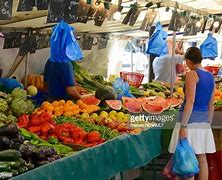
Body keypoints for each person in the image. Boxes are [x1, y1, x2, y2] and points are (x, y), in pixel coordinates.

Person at [168, 47, 216, 180]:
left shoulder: (192, 74)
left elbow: (190, 101)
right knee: (202, 159)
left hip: (189, 122)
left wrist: (183, 125)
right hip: (204, 123)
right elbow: (211, 105)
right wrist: (207, 124)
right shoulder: (211, 77)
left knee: (186, 159)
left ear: (189, 61)